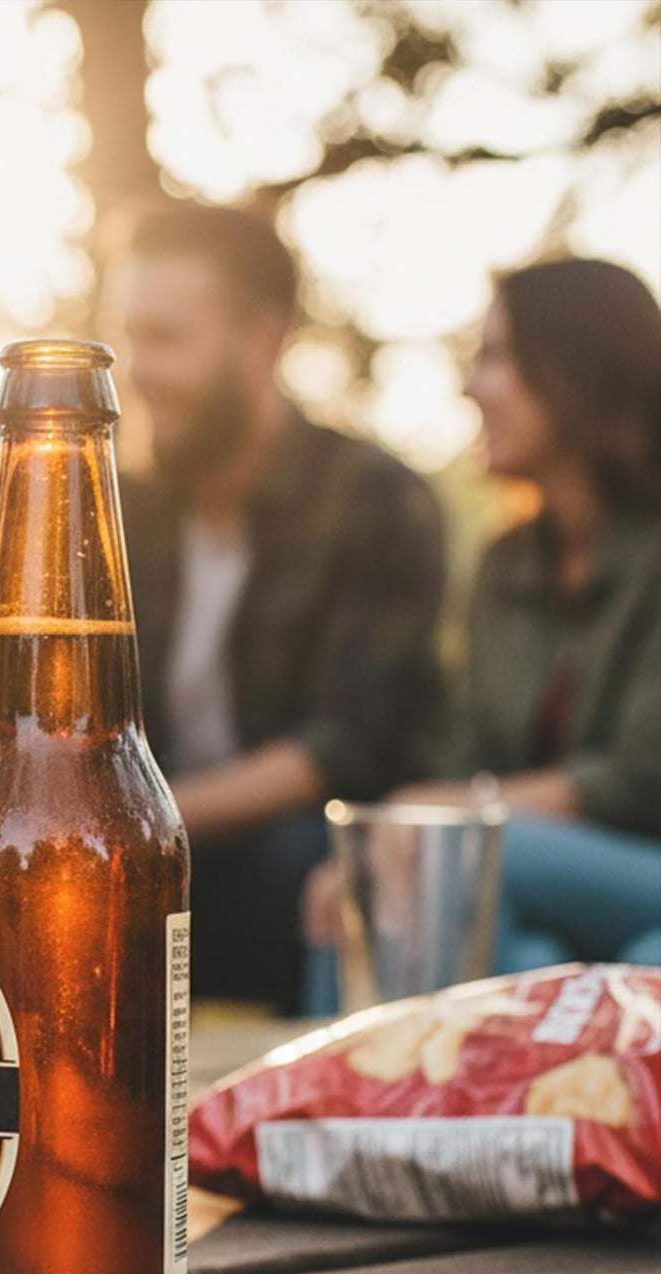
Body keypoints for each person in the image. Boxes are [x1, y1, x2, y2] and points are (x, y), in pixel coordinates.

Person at [112, 203, 448, 1011]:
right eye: (130, 337)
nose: (136, 369)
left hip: (278, 848)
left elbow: (345, 745)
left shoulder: (378, 500)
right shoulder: (118, 509)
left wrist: (143, 821)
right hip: (149, 836)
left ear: (262, 340)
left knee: (306, 852)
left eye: (166, 339)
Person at [307, 258, 661, 985]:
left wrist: (433, 816)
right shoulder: (509, 565)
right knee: (366, 883)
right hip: (554, 891)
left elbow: (639, 778)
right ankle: (345, 1095)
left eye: (495, 358)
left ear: (577, 371)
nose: (470, 388)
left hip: (632, 869)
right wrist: (403, 832)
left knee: (466, 849)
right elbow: (464, 751)